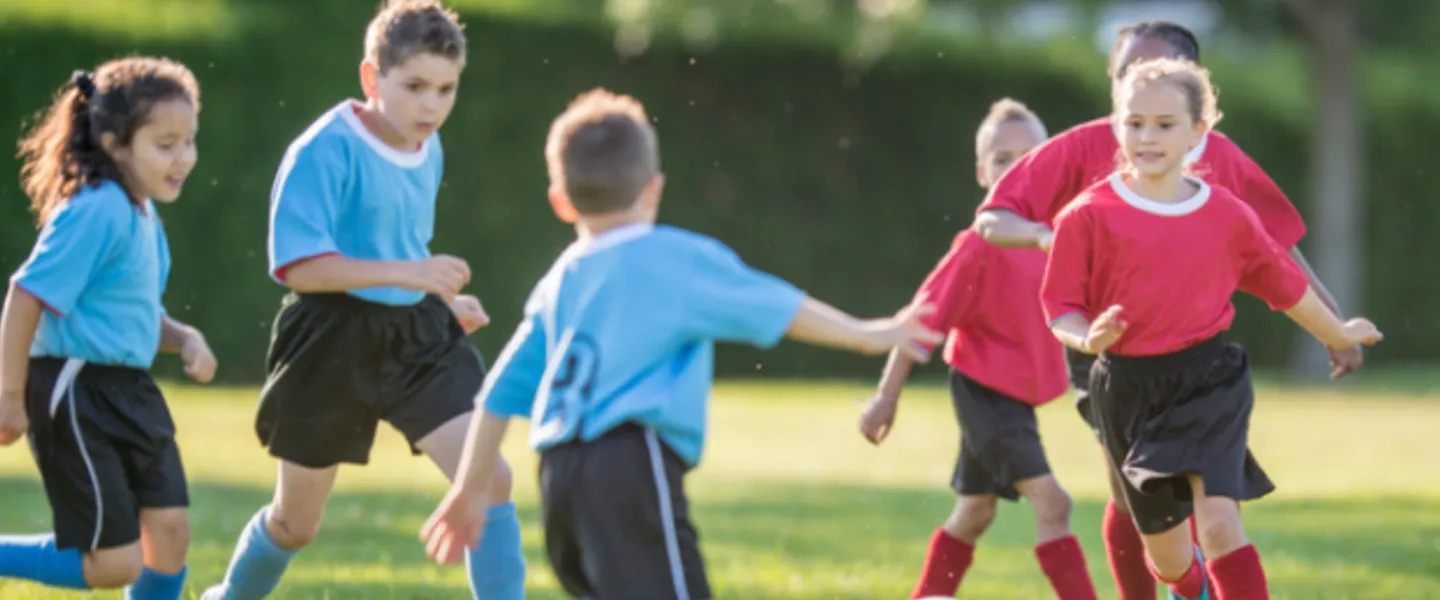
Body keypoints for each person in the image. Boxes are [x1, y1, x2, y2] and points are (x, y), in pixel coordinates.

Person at [417, 88, 945, 600]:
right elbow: (779, 307)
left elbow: (498, 395)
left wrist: (468, 489)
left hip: (558, 475)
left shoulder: (560, 281)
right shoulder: (673, 258)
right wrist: (870, 334)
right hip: (628, 461)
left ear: (561, 201)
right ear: (653, 187)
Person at [971, 20, 1360, 600]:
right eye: (1126, 72)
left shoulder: (1222, 160)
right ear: (1114, 80)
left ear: (1192, 89)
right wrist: (1044, 235)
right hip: (1106, 354)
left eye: (1154, 72)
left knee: (1218, 515)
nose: (1138, 85)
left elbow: (1276, 248)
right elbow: (992, 218)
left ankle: (1200, 584)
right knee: (1131, 495)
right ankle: (1169, 586)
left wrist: (1332, 326)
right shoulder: (1086, 147)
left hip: (1199, 361)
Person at [200, 2, 524, 599]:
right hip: (329, 340)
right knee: (295, 525)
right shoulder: (323, 150)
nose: (432, 105)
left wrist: (436, 299)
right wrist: (412, 274)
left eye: (447, 89)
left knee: (490, 480)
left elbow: (398, 252)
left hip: (415, 336)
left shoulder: (430, 147)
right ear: (371, 78)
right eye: (416, 86)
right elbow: (302, 269)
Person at [858, 99, 1094, 599]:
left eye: (1032, 156)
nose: (1018, 168)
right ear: (983, 172)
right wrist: (886, 397)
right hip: (984, 392)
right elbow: (920, 323)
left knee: (976, 512)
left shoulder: (1059, 238)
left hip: (1017, 397)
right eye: (1003, 159)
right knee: (1054, 503)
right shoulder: (979, 247)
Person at [0, 57, 217, 600]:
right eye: (165, 145)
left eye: (189, 141)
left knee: (169, 536)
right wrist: (8, 396)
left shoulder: (142, 214)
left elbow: (135, 314)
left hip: (131, 391)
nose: (184, 158)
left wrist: (185, 338)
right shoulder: (95, 210)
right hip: (78, 390)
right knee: (114, 563)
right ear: (117, 144)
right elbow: (25, 297)